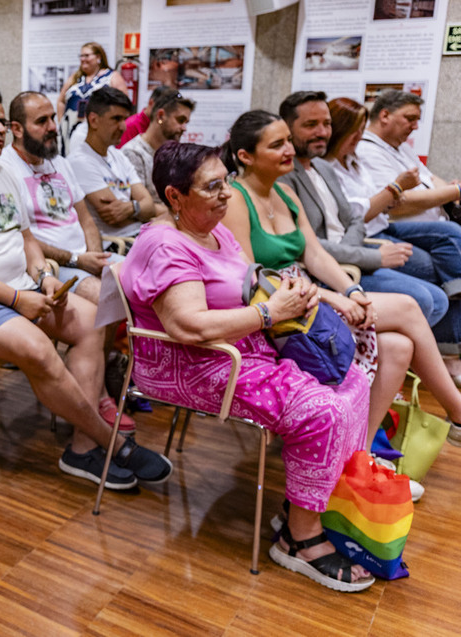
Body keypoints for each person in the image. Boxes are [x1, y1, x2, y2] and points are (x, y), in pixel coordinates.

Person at [121, 141, 372, 592]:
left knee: (351, 380)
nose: (225, 195)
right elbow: (188, 325)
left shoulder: (217, 231)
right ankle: (299, 540)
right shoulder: (164, 244)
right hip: (197, 363)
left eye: (226, 182)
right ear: (175, 196)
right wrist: (271, 313)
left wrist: (293, 291)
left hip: (243, 348)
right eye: (212, 187)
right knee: (323, 410)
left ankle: (303, 507)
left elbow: (248, 281)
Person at [0, 86, 172, 489]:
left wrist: (43, 276)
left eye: (0, 122)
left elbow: (26, 238)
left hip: (18, 288)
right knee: (39, 350)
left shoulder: (2, 173)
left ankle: (81, 450)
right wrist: (16, 298)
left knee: (94, 322)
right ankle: (113, 444)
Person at [220, 109, 461, 459]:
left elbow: (316, 255)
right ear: (245, 156)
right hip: (276, 310)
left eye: (288, 140)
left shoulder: (286, 194)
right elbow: (253, 275)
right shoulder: (235, 200)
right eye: (277, 144)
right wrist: (336, 297)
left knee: (397, 346)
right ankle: (456, 412)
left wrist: (352, 291)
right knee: (410, 306)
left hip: (309, 293)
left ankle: (355, 453)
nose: (289, 149)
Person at [278, 91, 461, 381]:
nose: (322, 131)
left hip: (353, 252)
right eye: (311, 124)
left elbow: (353, 218)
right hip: (335, 265)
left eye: (326, 124)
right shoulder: (283, 177)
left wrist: (356, 248)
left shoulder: (323, 166)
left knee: (437, 286)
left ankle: (391, 365)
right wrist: (370, 255)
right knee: (429, 295)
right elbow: (310, 247)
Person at [0, 90, 131, 430]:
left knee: (137, 291)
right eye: (41, 121)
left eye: (53, 118)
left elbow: (85, 218)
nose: (52, 127)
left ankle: (111, 379)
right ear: (16, 127)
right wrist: (77, 258)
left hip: (83, 259)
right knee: (104, 302)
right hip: (52, 265)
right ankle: (97, 398)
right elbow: (21, 235)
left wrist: (95, 257)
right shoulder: (4, 169)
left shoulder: (61, 163)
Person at [355, 89, 461, 223]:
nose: (415, 127)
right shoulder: (366, 150)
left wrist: (452, 190)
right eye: (410, 119)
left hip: (439, 222)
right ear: (385, 116)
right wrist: (454, 192)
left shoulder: (402, 146)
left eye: (417, 120)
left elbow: (431, 179)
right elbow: (397, 205)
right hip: (404, 230)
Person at [68, 86, 157, 242]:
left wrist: (131, 208)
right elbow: (113, 217)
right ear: (94, 120)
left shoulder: (118, 156)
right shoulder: (79, 161)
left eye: (124, 119)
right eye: (116, 119)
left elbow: (149, 205)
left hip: (139, 234)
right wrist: (141, 210)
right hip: (115, 242)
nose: (123, 126)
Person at [122, 90, 195, 217]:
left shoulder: (174, 154)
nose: (184, 128)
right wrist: (182, 212)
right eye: (180, 120)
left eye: (186, 122)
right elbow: (141, 208)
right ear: (160, 116)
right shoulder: (133, 153)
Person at [56, 42, 130, 153]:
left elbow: (124, 105)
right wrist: (62, 122)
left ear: (98, 57)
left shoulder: (112, 77)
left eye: (86, 55)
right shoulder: (75, 77)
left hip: (97, 130)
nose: (83, 59)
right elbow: (61, 101)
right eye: (81, 56)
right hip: (69, 130)